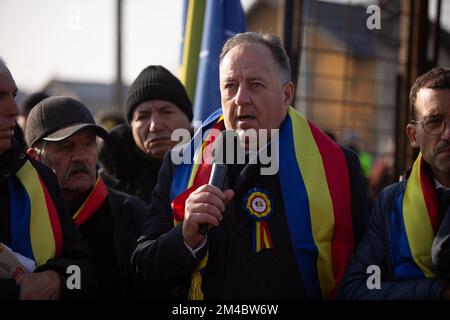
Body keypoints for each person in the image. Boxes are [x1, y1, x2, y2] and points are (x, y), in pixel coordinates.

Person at [132, 32, 369, 300]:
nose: (241, 98)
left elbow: (361, 274)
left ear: (286, 94)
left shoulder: (337, 165)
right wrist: (185, 235)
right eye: (230, 86)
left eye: (255, 85)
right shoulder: (181, 163)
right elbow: (145, 269)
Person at [339, 66, 450, 299]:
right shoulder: (391, 203)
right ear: (413, 135)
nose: (447, 133)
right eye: (434, 121)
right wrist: (438, 292)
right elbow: (357, 289)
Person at [26, 96, 149, 299]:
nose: (81, 157)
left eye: (88, 144)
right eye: (66, 147)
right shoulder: (17, 214)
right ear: (34, 157)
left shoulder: (134, 214)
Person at [0, 58, 95, 299]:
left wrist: (57, 278)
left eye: (13, 95)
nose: (13, 109)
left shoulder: (38, 178)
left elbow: (83, 269)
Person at [98, 65, 192, 204]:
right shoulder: (103, 189)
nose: (155, 126)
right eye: (143, 116)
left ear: (189, 120)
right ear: (131, 127)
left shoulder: (216, 170)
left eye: (166, 112)